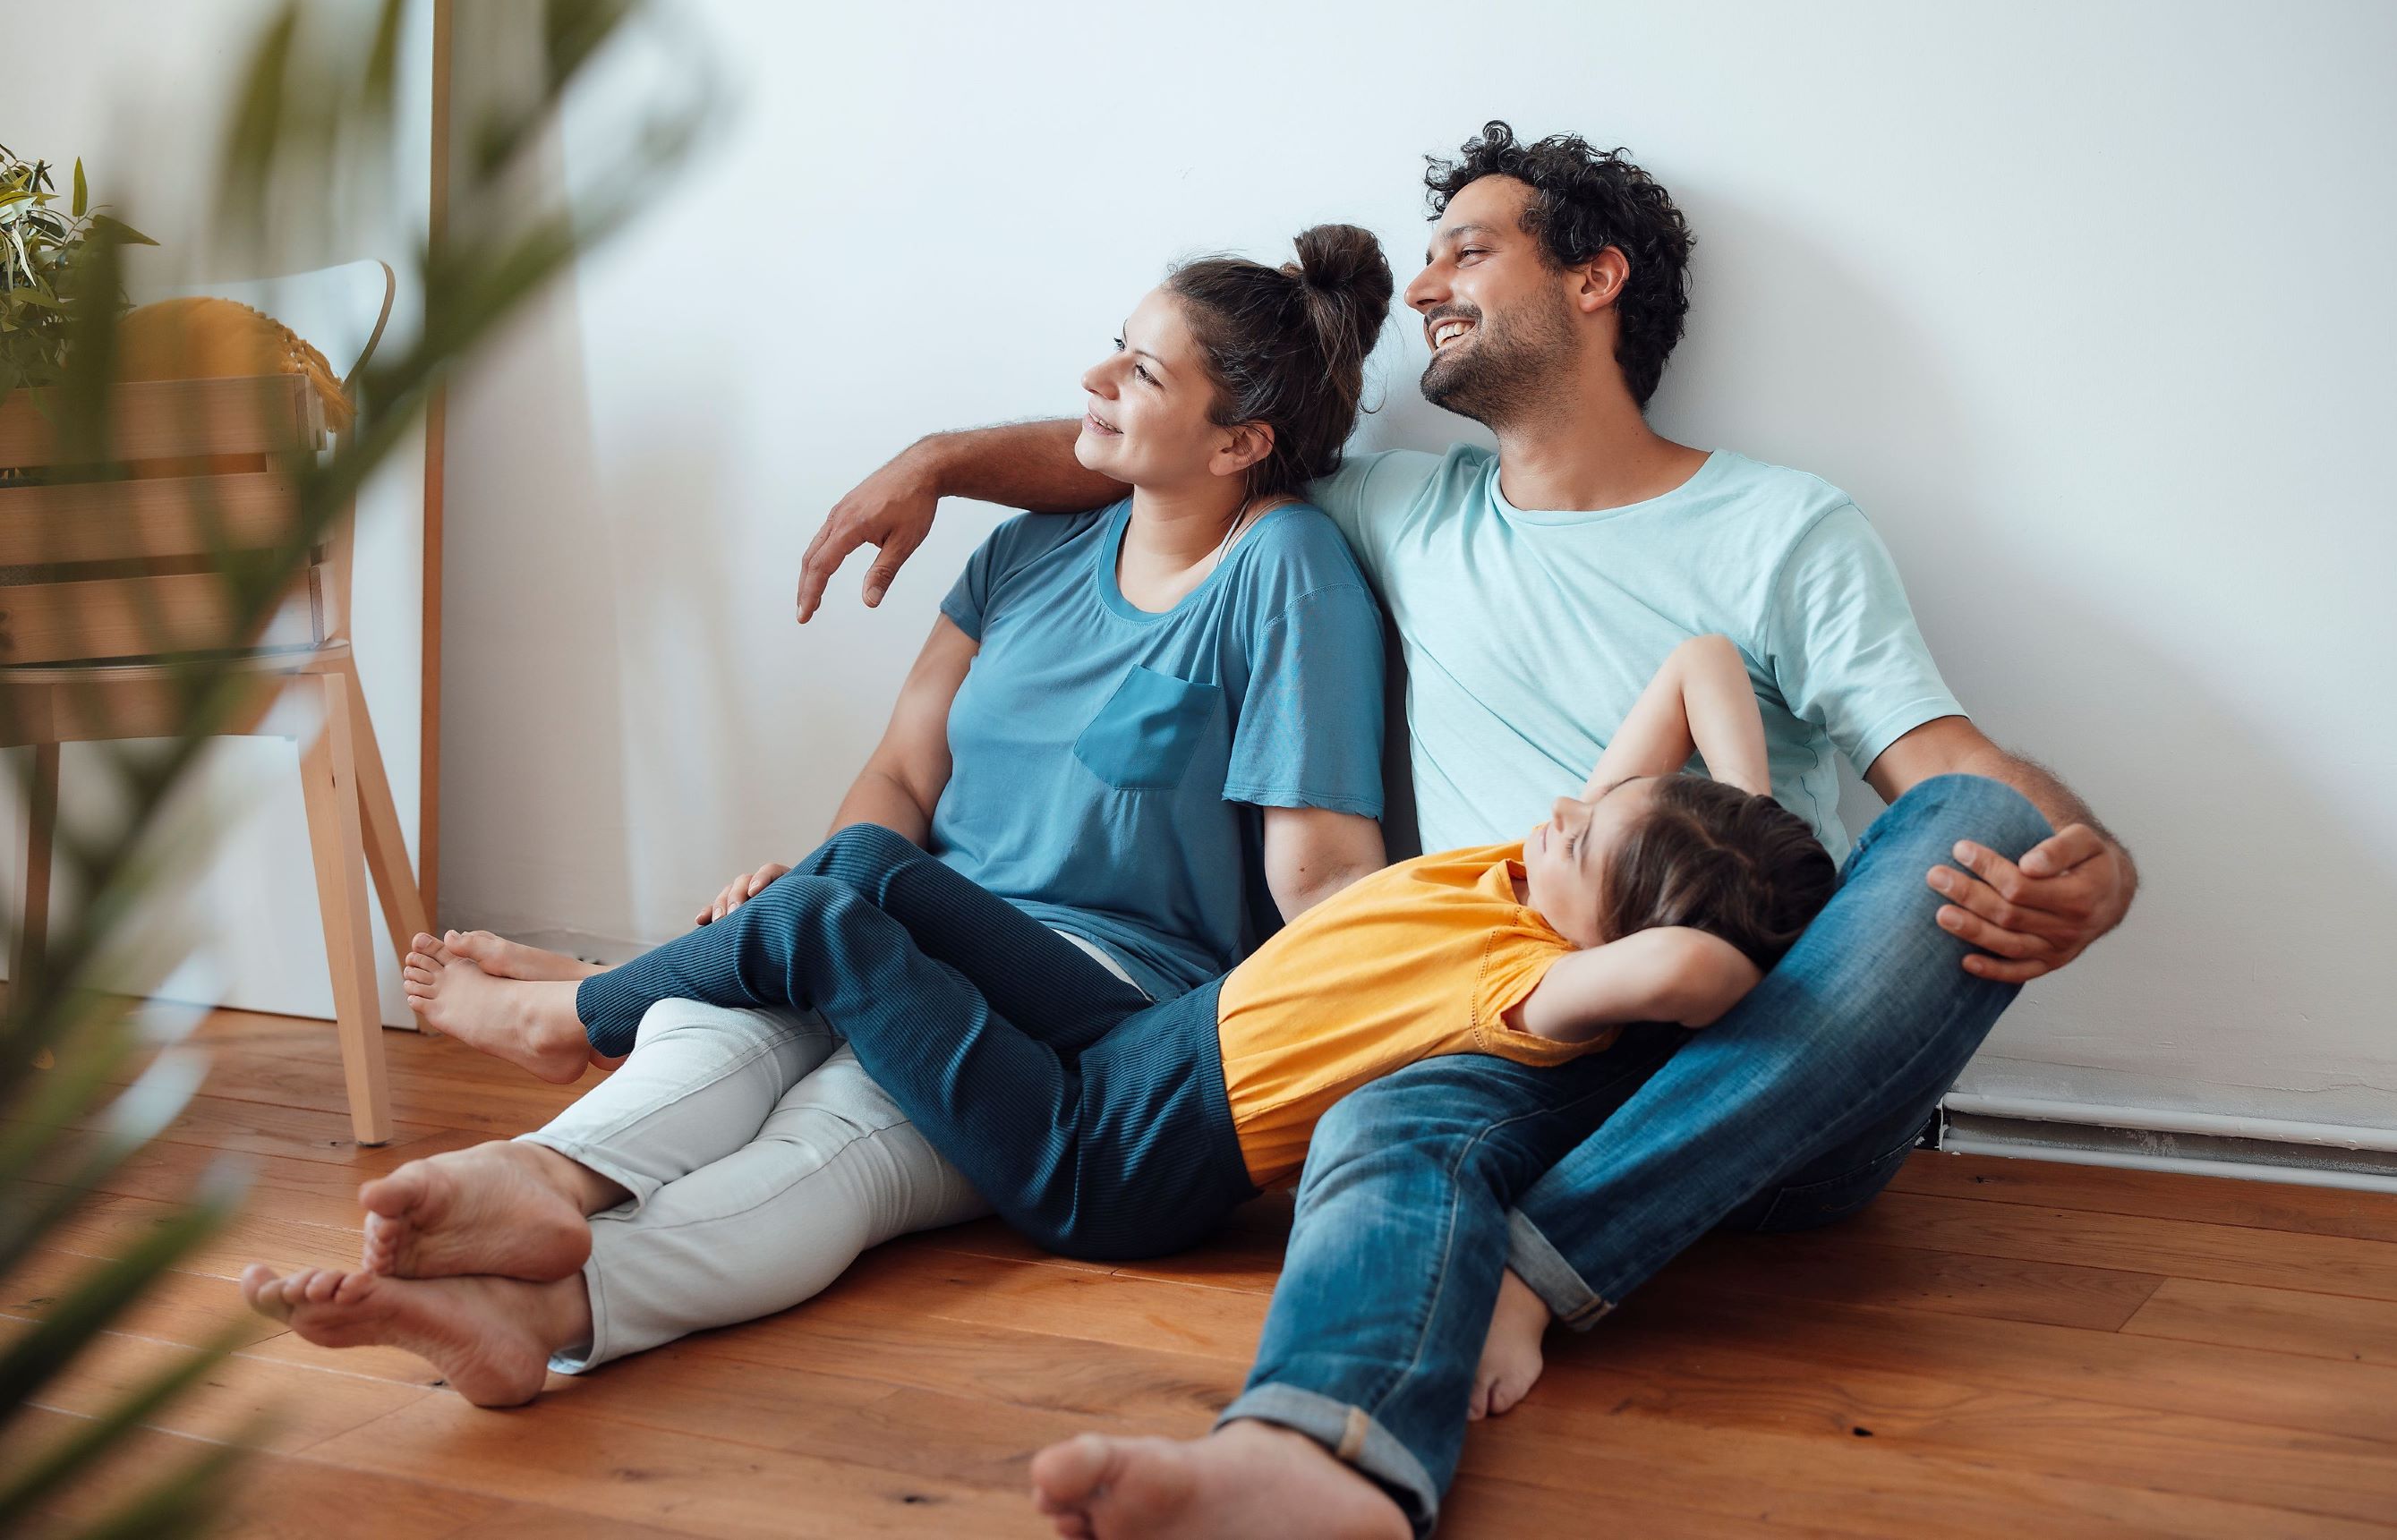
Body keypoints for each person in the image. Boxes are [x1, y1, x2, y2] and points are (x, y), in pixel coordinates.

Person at [795, 123, 2137, 1540]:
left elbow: (1946, 766)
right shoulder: (1397, 508)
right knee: (1386, 1107)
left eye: (1467, 248)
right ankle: (1322, 1458)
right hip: (1512, 1035)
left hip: (1767, 1061)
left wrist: (2088, 865)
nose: (1425, 280)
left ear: (1594, 278)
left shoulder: (1779, 527)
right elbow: (1170, 446)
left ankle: (1532, 1269)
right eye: (1428, 252)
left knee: (1972, 819)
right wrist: (938, 461)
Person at [237, 225, 1400, 1405]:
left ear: (1241, 440)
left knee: (839, 1129)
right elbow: (899, 776)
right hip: (905, 920)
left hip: (1100, 993)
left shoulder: (1285, 568)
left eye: (1142, 373)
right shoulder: (1022, 557)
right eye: (1113, 348)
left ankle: (577, 1090)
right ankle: (530, 1253)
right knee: (726, 1034)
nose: (1094, 380)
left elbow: (1319, 874)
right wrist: (811, 913)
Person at [321, 635, 1842, 1276]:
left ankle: (566, 1019)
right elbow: (1698, 661)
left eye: (1589, 835)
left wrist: (1718, 917)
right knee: (867, 861)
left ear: (1618, 934)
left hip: (1104, 1163)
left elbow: (1694, 980)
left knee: (819, 920)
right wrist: (1728, 816)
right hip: (1149, 1033)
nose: (1561, 807)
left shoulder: (1538, 984)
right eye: (1592, 799)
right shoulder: (1536, 875)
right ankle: (607, 988)